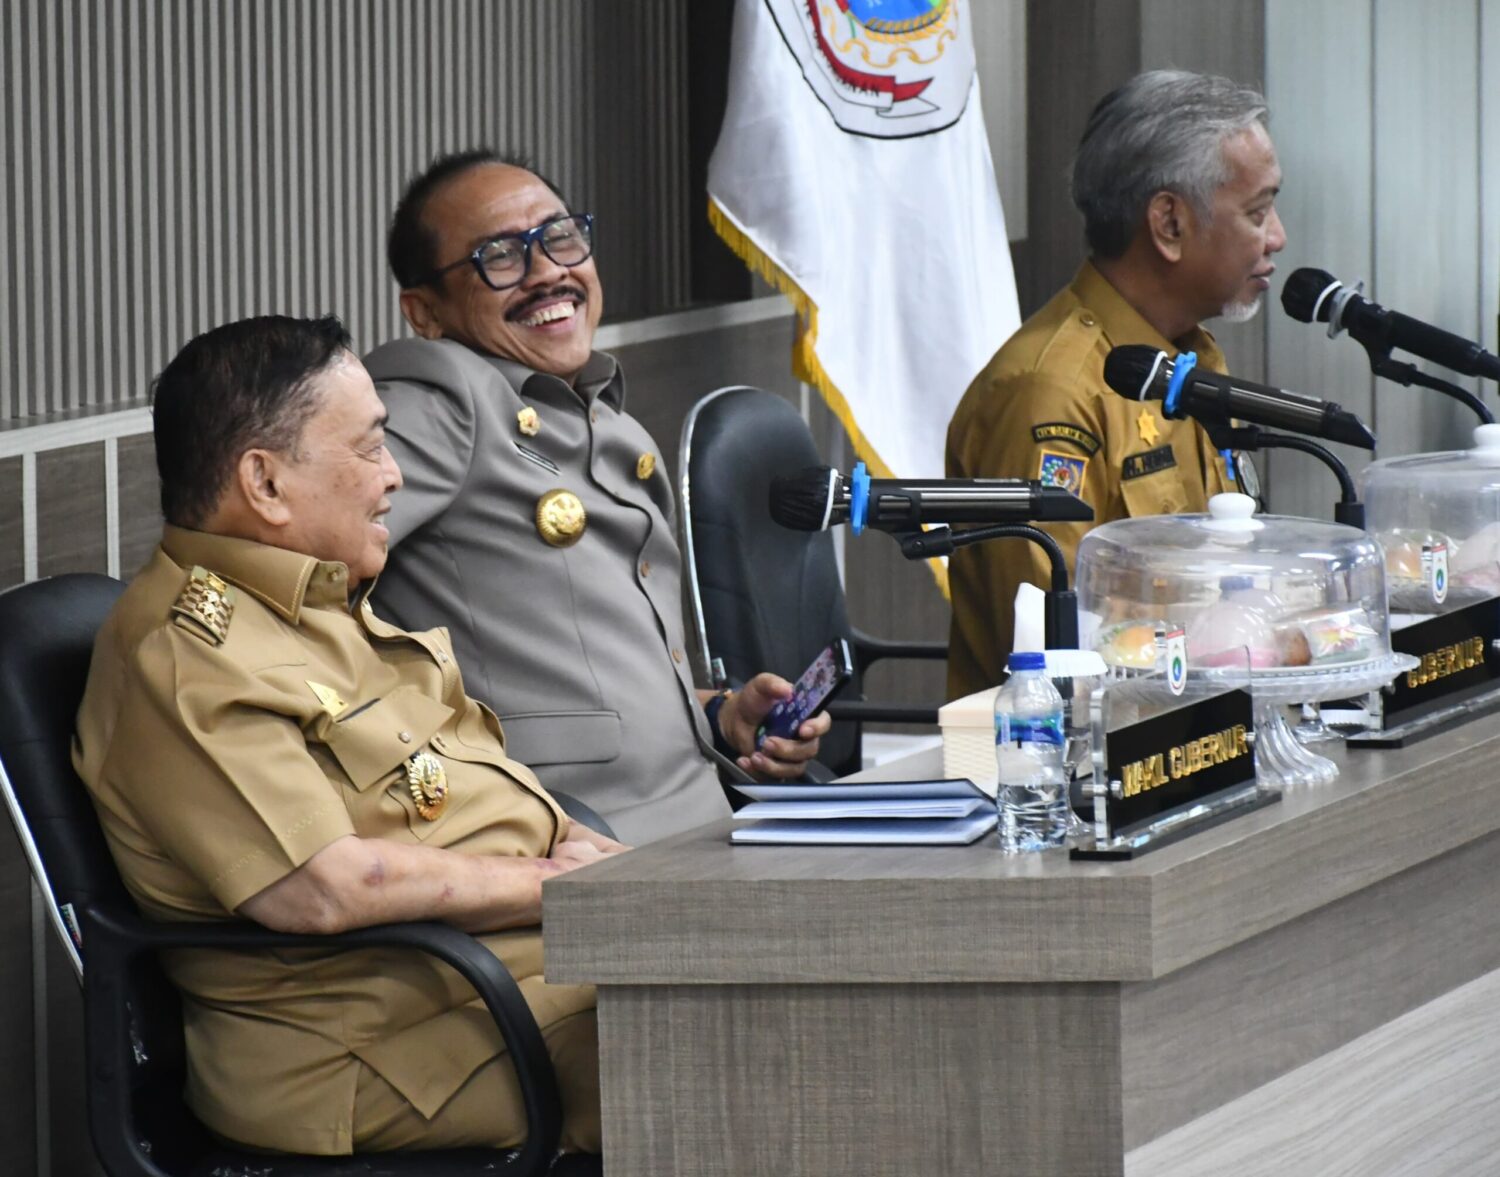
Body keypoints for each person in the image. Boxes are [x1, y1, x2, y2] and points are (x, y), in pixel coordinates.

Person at [73, 315, 622, 1156]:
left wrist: (621, 872)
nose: (394, 475)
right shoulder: (186, 658)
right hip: (381, 1049)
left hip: (503, 976)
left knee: (769, 984)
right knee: (728, 1060)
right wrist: (559, 885)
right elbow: (323, 886)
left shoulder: (318, 604)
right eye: (369, 447)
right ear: (265, 482)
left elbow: (472, 783)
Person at [364, 149, 829, 844]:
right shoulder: (438, 403)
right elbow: (281, 577)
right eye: (500, 256)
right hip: (576, 851)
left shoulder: (602, 418)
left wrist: (720, 715)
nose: (548, 271)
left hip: (708, 822)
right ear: (425, 312)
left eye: (559, 237)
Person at [945, 70, 1286, 699]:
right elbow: (1053, 651)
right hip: (1081, 748)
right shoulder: (1050, 393)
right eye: (1257, 212)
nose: (1277, 237)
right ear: (1170, 224)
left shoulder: (1193, 359)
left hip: (1204, 720)